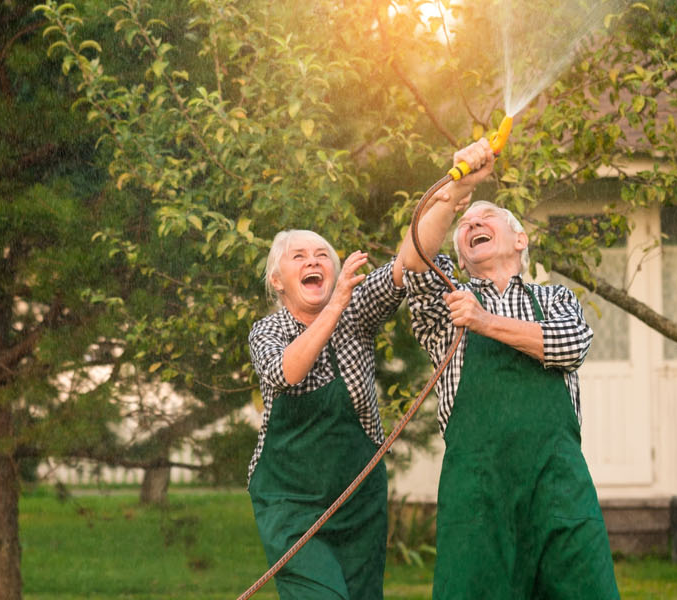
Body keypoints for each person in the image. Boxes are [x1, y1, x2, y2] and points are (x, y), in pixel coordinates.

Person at [244, 145, 489, 599]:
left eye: (322, 254)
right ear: (278, 280)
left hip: (359, 501)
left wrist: (457, 189)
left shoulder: (355, 310)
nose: (313, 261)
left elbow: (410, 261)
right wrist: (334, 303)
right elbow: (287, 373)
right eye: (299, 256)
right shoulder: (269, 330)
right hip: (291, 504)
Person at [398, 147, 620, 598]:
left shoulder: (555, 300)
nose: (473, 223)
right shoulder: (448, 302)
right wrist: (458, 188)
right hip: (478, 499)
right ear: (459, 255)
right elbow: (414, 259)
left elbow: (571, 345)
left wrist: (484, 323)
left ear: (520, 240)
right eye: (465, 225)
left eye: (488, 216)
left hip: (558, 492)